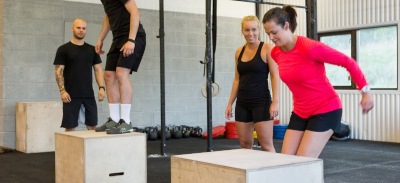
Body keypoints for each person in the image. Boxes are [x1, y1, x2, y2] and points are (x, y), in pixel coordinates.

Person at [262, 5, 374, 158]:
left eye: (274, 32)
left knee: (303, 161)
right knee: (285, 160)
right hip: (300, 111)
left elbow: (347, 61)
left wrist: (365, 91)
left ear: (286, 26)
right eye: (268, 33)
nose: (271, 37)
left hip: (326, 109)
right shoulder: (276, 53)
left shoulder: (310, 48)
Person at [225, 16, 280, 152]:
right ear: (242, 31)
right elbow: (237, 79)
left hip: (261, 102)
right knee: (244, 145)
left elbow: (275, 75)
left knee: (266, 145)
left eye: (254, 29)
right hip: (242, 103)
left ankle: (272, 173)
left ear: (259, 30)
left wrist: (275, 102)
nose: (251, 33)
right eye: (247, 30)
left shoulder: (267, 48)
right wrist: (230, 103)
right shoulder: (239, 52)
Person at [95, 0, 146, 134]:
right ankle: (114, 119)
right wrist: (101, 38)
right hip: (117, 37)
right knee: (108, 75)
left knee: (121, 74)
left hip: (133, 36)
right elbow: (108, 16)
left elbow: (135, 12)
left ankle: (126, 122)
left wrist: (131, 40)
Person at [54, 18, 105, 132]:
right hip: (70, 96)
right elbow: (59, 71)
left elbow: (98, 70)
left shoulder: (92, 50)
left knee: (92, 126)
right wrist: (62, 91)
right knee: (70, 127)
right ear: (72, 29)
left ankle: (91, 150)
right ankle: (69, 150)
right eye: (78, 28)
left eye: (83, 28)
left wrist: (101, 88)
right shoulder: (63, 49)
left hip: (88, 95)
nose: (81, 30)